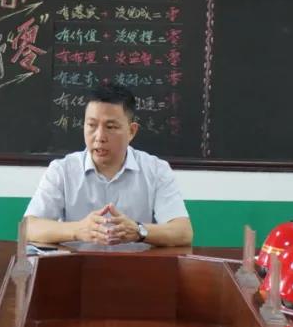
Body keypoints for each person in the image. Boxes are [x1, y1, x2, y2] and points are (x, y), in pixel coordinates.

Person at [25, 84, 192, 247]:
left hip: (138, 265)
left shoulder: (156, 170)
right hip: (77, 265)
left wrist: (139, 231)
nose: (99, 137)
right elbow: (29, 227)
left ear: (131, 131)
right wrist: (77, 229)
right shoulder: (62, 170)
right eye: (91, 125)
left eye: (110, 127)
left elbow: (183, 232)